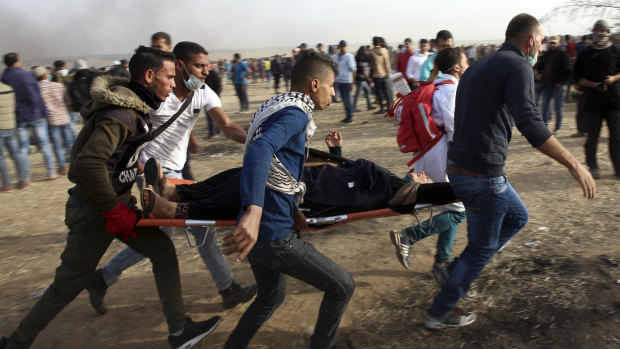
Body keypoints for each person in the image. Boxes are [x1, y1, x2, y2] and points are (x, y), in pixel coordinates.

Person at [0, 46, 221, 349]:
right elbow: (87, 164)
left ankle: (179, 330)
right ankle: (16, 342)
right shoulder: (122, 115)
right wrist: (112, 210)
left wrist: (152, 175)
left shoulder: (137, 109)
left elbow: (119, 159)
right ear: (148, 75)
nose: (173, 84)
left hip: (116, 205)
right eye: (169, 77)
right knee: (68, 284)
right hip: (95, 212)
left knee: (162, 251)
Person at [423, 13, 595, 330]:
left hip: (463, 167)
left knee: (518, 217)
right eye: (541, 41)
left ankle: (453, 272)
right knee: (483, 246)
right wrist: (574, 163)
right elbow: (530, 123)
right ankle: (440, 311)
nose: (541, 48)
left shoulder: (481, 65)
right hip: (482, 175)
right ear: (530, 40)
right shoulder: (517, 66)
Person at [87, 42, 254, 316]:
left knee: (199, 227)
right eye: (199, 65)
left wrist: (256, 142)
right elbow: (129, 133)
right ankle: (226, 289)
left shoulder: (202, 92)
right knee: (166, 238)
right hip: (155, 173)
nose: (206, 70)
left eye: (206, 65)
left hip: (180, 170)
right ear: (179, 66)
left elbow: (226, 126)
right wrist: (141, 166)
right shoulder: (155, 93)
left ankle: (103, 278)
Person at [220, 51, 355, 349]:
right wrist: (255, 212)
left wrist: (290, 208)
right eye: (332, 86)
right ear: (315, 84)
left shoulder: (276, 106)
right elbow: (259, 151)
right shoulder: (296, 114)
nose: (334, 94)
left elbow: (282, 167)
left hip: (264, 230)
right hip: (272, 234)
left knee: (271, 297)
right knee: (343, 286)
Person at [389, 48, 468, 284]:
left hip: (427, 152)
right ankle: (408, 236)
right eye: (465, 62)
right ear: (456, 67)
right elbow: (455, 129)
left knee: (435, 199)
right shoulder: (451, 90)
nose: (467, 65)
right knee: (458, 210)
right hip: (441, 155)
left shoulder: (431, 88)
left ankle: (438, 260)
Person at [574, 19, 620, 179]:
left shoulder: (615, 50)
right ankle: (593, 167)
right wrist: (593, 85)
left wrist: (613, 79)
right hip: (592, 102)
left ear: (608, 33)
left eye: (603, 31)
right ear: (593, 32)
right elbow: (577, 78)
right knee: (592, 137)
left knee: (616, 137)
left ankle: (618, 168)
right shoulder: (585, 53)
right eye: (597, 30)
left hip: (614, 101)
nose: (600, 33)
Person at [1, 53, 58, 181]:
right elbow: (37, 95)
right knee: (44, 144)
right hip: (35, 114)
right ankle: (51, 172)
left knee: (23, 148)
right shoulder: (27, 75)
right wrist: (42, 112)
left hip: (19, 117)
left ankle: (25, 177)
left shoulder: (4, 77)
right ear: (16, 61)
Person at [32, 66, 74, 176]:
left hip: (51, 120)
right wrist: (68, 110)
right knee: (69, 142)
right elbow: (68, 100)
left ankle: (62, 166)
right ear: (46, 75)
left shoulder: (36, 89)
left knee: (57, 145)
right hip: (65, 117)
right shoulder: (58, 85)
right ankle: (75, 164)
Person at [534, 35, 570, 133]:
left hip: (557, 86)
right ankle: (544, 126)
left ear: (559, 43)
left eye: (554, 42)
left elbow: (568, 70)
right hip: (546, 85)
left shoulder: (563, 55)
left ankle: (558, 127)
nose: (552, 44)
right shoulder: (547, 54)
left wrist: (561, 82)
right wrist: (536, 70)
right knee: (544, 106)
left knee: (558, 107)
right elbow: (541, 66)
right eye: (551, 42)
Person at [0, 80, 28, 191]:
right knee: (16, 154)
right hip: (11, 124)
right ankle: (23, 180)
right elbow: (13, 106)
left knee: (1, 157)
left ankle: (7, 184)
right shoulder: (9, 88)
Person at [333, 40, 356, 124]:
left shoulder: (349, 56)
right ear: (339, 47)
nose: (343, 47)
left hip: (346, 81)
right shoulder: (335, 57)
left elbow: (353, 70)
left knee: (347, 100)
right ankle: (347, 116)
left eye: (345, 46)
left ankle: (349, 117)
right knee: (343, 100)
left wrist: (352, 82)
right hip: (338, 81)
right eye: (342, 46)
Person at [369, 36, 392, 113]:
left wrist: (371, 75)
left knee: (379, 93)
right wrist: (388, 72)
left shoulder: (372, 52)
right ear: (379, 43)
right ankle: (389, 107)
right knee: (386, 92)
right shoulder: (385, 50)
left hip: (376, 75)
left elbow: (372, 65)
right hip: (385, 75)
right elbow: (387, 63)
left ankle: (382, 108)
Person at [353, 46, 375, 112]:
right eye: (365, 51)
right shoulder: (360, 58)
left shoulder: (357, 57)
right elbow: (362, 70)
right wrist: (368, 78)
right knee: (358, 93)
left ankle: (369, 105)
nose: (366, 52)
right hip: (360, 79)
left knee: (367, 90)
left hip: (360, 79)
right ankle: (354, 107)